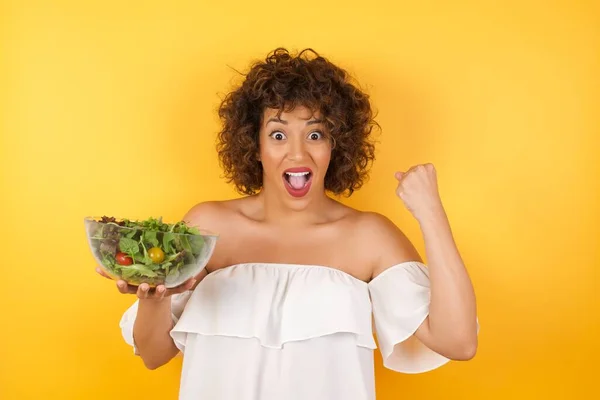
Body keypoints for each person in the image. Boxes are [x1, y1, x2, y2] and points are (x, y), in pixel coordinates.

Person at [96, 47, 479, 400]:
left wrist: (431, 213)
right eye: (278, 134)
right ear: (255, 145)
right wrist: (154, 299)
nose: (298, 153)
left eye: (315, 134)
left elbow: (458, 342)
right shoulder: (209, 226)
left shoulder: (369, 237)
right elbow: (153, 353)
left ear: (337, 144)